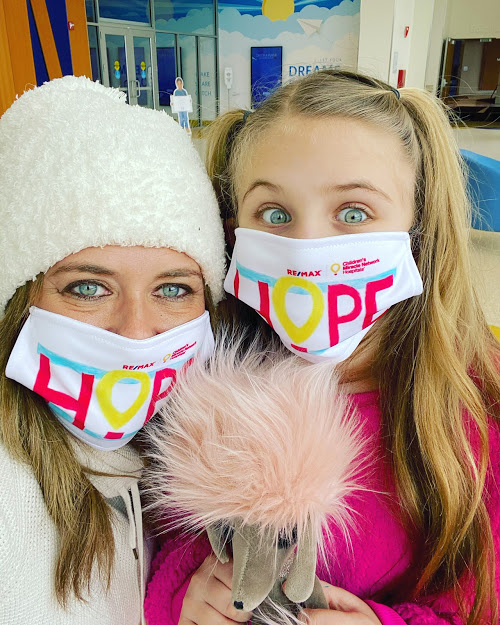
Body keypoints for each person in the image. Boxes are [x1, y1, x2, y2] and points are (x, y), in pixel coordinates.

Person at [144, 70, 500, 625]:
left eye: (353, 213)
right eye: (275, 214)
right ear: (235, 228)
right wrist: (181, 597)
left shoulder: (474, 407)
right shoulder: (196, 380)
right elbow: (158, 544)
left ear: (418, 228)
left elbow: (480, 603)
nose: (308, 247)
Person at [0, 75, 225, 624]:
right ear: (17, 299)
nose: (134, 332)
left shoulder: (194, 469)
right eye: (87, 288)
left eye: (173, 290)